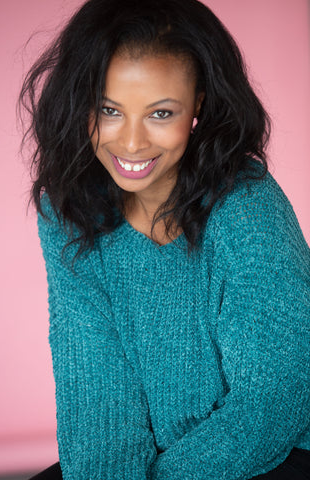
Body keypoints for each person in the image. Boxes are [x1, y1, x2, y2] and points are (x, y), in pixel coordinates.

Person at [19, 0, 310, 478]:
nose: (131, 143)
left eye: (160, 113)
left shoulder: (246, 204)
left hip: (272, 451)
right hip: (156, 456)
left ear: (198, 103)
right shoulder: (68, 213)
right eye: (110, 109)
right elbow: (97, 398)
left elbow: (275, 399)